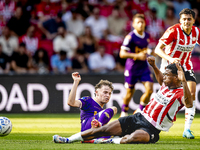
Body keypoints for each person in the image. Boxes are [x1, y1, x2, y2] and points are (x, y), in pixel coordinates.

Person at [53, 57, 193, 144]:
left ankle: (110, 142)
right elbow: (161, 79)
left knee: (131, 139)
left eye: (168, 75)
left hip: (151, 128)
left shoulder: (180, 92)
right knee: (103, 129)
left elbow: (189, 103)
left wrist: (184, 80)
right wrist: (154, 67)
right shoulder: (166, 84)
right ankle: (68, 140)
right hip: (138, 117)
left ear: (177, 78)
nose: (165, 77)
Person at [154, 8, 199, 139]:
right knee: (166, 98)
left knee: (191, 93)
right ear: (180, 20)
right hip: (170, 67)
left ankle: (187, 130)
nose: (186, 21)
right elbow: (157, 49)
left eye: (189, 19)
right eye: (184, 19)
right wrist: (170, 58)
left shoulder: (196, 32)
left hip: (186, 66)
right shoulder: (173, 31)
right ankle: (152, 120)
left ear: (193, 21)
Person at [63, 72, 117, 142]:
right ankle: (97, 128)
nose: (108, 95)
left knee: (119, 131)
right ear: (96, 92)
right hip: (87, 128)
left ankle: (94, 139)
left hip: (95, 133)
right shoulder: (88, 100)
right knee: (114, 109)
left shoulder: (103, 112)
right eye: (105, 92)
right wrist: (76, 82)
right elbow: (71, 102)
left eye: (109, 93)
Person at [119, 13, 154, 117]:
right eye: (138, 22)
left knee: (150, 90)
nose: (140, 24)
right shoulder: (130, 37)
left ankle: (140, 110)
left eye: (142, 22)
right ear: (133, 24)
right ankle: (124, 112)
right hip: (132, 68)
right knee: (129, 93)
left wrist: (150, 52)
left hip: (144, 67)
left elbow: (146, 49)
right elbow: (122, 54)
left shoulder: (147, 35)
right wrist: (137, 56)